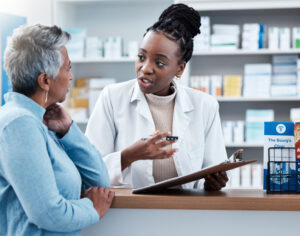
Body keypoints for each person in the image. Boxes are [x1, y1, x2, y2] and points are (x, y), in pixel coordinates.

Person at [86, 3, 228, 190]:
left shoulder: (205, 106)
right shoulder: (112, 98)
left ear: (180, 68)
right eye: (141, 57)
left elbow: (213, 170)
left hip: (187, 214)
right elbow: (88, 170)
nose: (145, 69)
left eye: (159, 63)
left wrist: (213, 183)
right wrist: (129, 156)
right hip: (128, 213)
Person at [0, 24, 114, 236]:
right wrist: (92, 210)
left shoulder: (42, 122)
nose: (71, 76)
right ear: (45, 80)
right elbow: (48, 212)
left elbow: (100, 183)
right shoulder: (18, 124)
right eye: (68, 68)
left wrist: (68, 131)